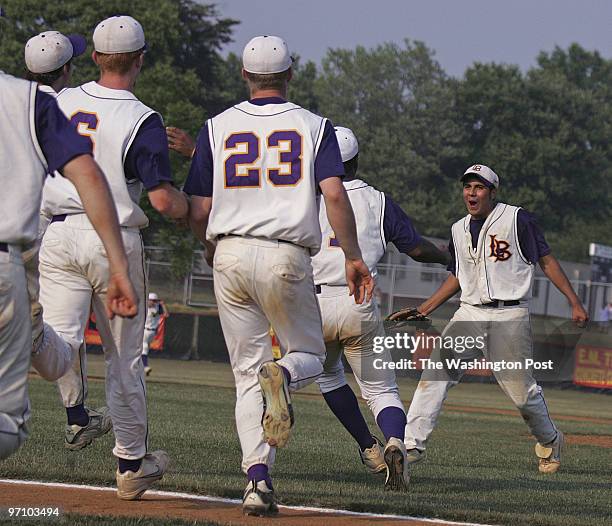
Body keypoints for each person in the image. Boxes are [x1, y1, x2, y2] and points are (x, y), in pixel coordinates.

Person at [185, 35, 374, 516]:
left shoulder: (216, 126)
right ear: (291, 74)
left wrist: (210, 245)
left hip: (228, 251)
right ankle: (285, 373)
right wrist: (352, 254)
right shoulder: (315, 126)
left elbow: (199, 206)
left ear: (244, 75)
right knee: (308, 354)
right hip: (284, 253)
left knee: (247, 377)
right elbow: (334, 195)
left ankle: (257, 481)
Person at [39, 15, 188, 499]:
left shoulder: (60, 100)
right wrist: (198, 205)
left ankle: (27, 334)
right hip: (113, 238)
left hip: (57, 234)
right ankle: (130, 466)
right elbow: (163, 202)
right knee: (124, 359)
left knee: (61, 346)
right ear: (140, 59)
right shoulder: (143, 119)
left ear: (96, 58)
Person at [404, 164, 588, 480]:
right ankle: (410, 448)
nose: (471, 193)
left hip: (509, 315)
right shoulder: (458, 228)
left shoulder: (517, 219)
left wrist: (573, 301)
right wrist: (426, 307)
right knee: (435, 374)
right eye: (467, 187)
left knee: (522, 394)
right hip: (470, 313)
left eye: (479, 187)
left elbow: (546, 260)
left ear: (492, 192)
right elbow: (459, 277)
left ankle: (551, 440)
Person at [0, 68, 137, 460]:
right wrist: (119, 265)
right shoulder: (33, 102)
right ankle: (42, 345)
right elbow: (88, 175)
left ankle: (75, 408)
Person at [311, 126, 449, 491]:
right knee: (381, 391)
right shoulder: (377, 200)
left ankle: (368, 447)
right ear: (356, 161)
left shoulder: (307, 196)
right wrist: (447, 258)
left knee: (327, 377)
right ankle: (394, 441)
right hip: (360, 301)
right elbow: (415, 247)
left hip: (314, 302)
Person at [23, 30, 89, 382]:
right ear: (65, 70)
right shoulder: (63, 108)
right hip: (43, 226)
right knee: (58, 334)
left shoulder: (11, 101)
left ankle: (78, 413)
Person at [141, 292, 169, 376]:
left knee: (145, 348)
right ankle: (145, 367)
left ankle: (141, 367)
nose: (153, 302)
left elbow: (166, 314)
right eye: (151, 300)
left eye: (154, 300)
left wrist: (163, 305)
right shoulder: (144, 307)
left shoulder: (158, 307)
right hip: (144, 330)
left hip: (152, 332)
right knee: (144, 347)